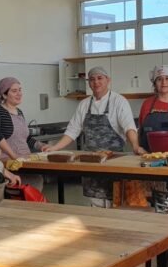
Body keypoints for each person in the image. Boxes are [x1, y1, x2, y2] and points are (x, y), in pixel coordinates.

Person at [46, 66, 145, 207]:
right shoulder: (84, 104)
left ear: (108, 80)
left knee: (116, 199)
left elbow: (129, 127)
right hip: (90, 161)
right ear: (89, 83)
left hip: (113, 161)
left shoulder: (119, 101)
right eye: (92, 79)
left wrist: (135, 145)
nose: (96, 82)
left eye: (100, 78)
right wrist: (54, 148)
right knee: (94, 201)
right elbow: (73, 130)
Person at [0, 77, 47, 191]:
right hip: (10, 164)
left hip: (26, 163)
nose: (19, 94)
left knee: (36, 184)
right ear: (4, 95)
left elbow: (26, 138)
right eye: (14, 91)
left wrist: (41, 146)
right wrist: (10, 156)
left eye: (20, 90)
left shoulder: (19, 112)